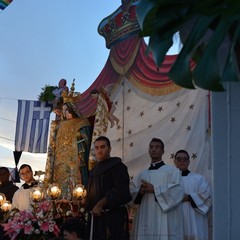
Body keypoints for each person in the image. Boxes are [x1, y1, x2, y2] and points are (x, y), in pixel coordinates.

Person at [44, 81, 92, 198]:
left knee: (76, 182)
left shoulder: (82, 122)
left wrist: (78, 139)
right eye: (64, 110)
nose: (65, 113)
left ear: (72, 109)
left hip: (75, 156)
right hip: (60, 159)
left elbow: (86, 139)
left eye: (67, 110)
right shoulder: (59, 125)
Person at [130, 138, 185, 239]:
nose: (154, 149)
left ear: (163, 151)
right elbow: (131, 192)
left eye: (157, 147)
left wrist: (155, 189)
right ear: (148, 150)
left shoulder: (172, 171)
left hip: (163, 216)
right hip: (145, 215)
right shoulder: (142, 174)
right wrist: (140, 192)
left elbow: (178, 191)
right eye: (151, 147)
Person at [85, 136, 132, 240]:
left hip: (114, 217)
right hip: (97, 218)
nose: (99, 150)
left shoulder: (118, 167)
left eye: (102, 147)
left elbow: (120, 190)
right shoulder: (93, 171)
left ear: (109, 149)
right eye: (96, 148)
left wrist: (100, 204)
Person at [174, 150, 212, 240]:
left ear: (189, 162)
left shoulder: (198, 178)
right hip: (175, 220)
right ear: (175, 161)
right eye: (179, 159)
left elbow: (207, 196)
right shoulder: (168, 180)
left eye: (185, 159)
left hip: (195, 220)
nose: (182, 161)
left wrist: (189, 197)